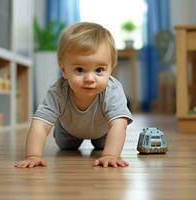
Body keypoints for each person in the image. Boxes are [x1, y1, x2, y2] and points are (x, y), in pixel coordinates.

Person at [14, 22, 133, 168]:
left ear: (111, 67)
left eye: (99, 70)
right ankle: (64, 132)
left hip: (103, 132)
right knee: (66, 147)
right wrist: (33, 155)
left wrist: (110, 155)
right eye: (80, 70)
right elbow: (40, 124)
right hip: (68, 131)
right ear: (63, 69)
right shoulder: (58, 91)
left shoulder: (112, 90)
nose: (90, 78)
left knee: (103, 146)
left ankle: (103, 146)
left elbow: (119, 124)